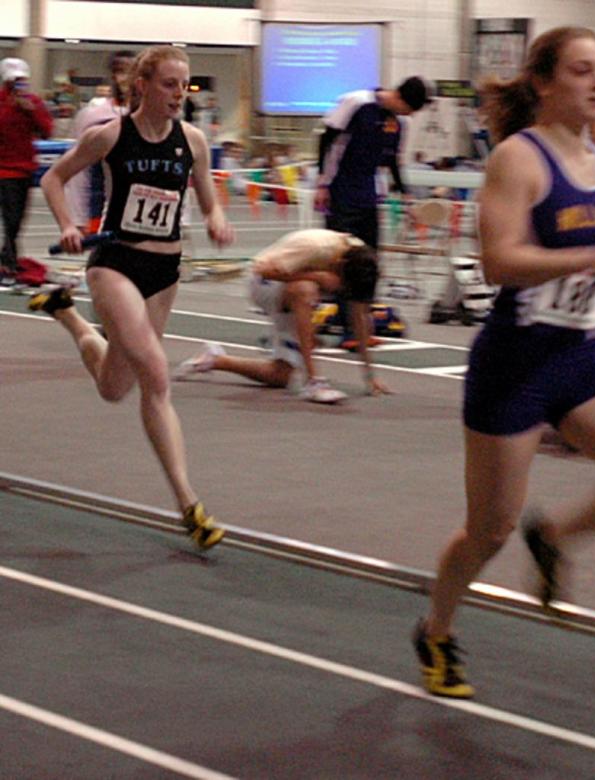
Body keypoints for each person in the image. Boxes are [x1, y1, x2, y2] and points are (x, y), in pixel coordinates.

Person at [412, 27, 595, 699]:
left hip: (580, 355)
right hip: (514, 363)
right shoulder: (519, 158)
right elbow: (498, 261)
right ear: (543, 82)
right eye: (580, 71)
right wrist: (588, 259)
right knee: (487, 531)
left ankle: (558, 537)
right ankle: (436, 630)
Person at [29, 45, 234, 550]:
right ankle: (190, 507)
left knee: (114, 387)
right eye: (168, 84)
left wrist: (216, 218)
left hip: (165, 271)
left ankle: (69, 318)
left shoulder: (193, 141)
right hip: (115, 265)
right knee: (157, 374)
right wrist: (67, 224)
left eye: (184, 86)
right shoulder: (110, 137)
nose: (178, 96)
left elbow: (207, 197)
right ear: (142, 85)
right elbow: (53, 178)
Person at [174, 228, 390, 403]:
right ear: (340, 266)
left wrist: (370, 377)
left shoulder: (360, 258)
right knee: (307, 289)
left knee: (279, 376)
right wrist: (318, 276)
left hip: (289, 291)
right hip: (263, 285)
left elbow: (359, 317)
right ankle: (314, 381)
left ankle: (215, 359)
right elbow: (262, 269)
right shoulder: (315, 246)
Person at [315, 76, 432, 345]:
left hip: (368, 194)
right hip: (340, 190)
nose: (409, 115)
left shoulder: (400, 122)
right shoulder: (357, 103)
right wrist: (323, 184)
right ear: (400, 97)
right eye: (409, 109)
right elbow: (327, 141)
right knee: (343, 259)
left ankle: (362, 326)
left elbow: (392, 162)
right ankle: (347, 329)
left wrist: (405, 196)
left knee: (369, 262)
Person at [65, 50, 134, 233]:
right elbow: (77, 172)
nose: (126, 78)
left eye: (131, 71)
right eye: (121, 71)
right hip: (103, 210)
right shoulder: (92, 116)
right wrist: (77, 218)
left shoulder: (154, 115)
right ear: (112, 75)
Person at [0, 58, 53, 283]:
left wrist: (30, 111)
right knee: (11, 218)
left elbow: (47, 131)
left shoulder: (33, 103)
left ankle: (8, 258)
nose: (19, 86)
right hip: (4, 171)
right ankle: (8, 261)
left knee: (17, 219)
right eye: (14, 82)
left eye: (22, 81)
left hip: (24, 170)